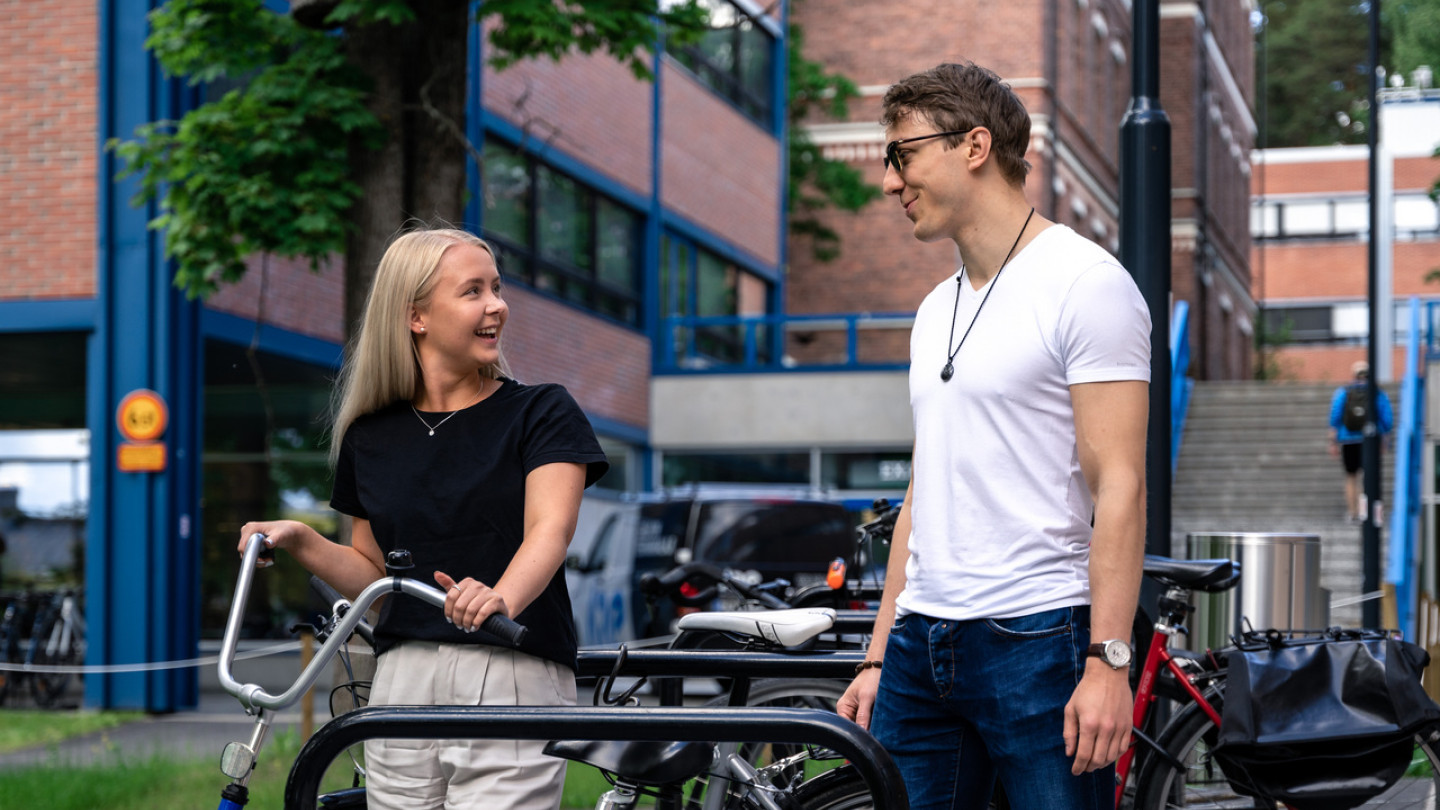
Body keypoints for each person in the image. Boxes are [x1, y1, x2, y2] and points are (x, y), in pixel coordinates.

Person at [835, 63, 1151, 810]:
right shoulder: (932, 311)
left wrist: (1109, 662)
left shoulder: (1086, 283)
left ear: (974, 146)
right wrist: (878, 655)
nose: (890, 181)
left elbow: (1121, 484)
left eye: (902, 154)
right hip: (920, 645)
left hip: (1038, 638)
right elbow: (924, 491)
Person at [238, 227, 608, 810]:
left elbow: (550, 530)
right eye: (473, 291)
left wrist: (501, 598)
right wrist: (303, 540)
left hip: (509, 667)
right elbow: (375, 579)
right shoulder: (370, 434)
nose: (496, 305)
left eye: (496, 288)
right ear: (416, 317)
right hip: (400, 675)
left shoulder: (541, 411)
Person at [1329, 360, 1393, 521]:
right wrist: (1385, 438)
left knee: (1351, 477)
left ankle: (1353, 513)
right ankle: (1369, 512)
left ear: (1353, 375)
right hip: (1370, 439)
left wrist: (1332, 441)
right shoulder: (1378, 392)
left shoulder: (1343, 392)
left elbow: (1335, 416)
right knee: (1369, 476)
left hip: (1348, 440)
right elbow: (1386, 418)